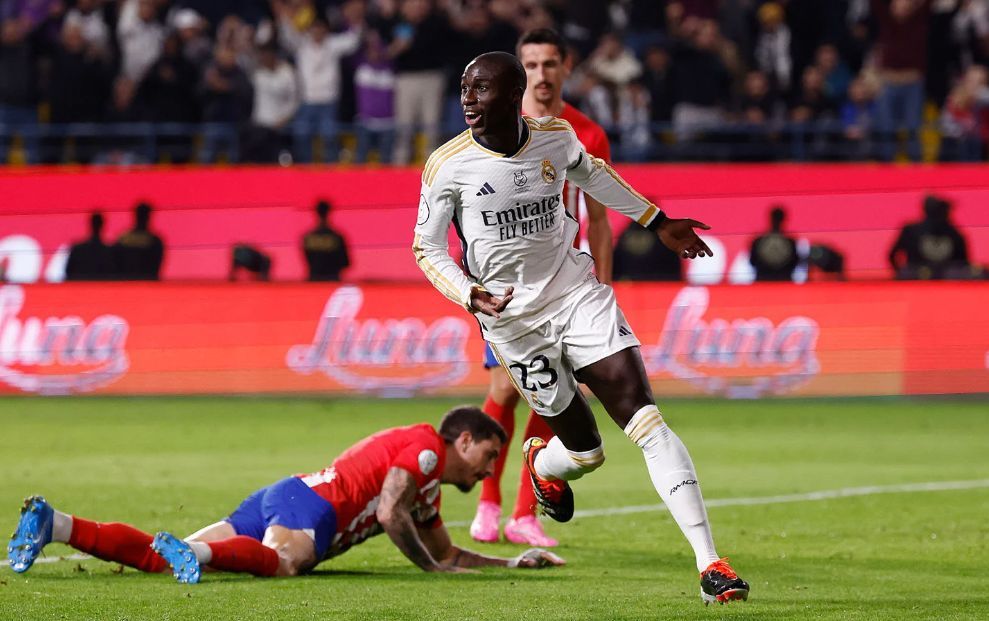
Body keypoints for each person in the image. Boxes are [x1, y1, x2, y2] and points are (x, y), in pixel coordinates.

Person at [412, 51, 749, 605]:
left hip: (576, 296)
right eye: (465, 89)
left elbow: (594, 175)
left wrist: (657, 221)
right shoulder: (448, 164)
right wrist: (468, 292)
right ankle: (543, 464)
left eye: (480, 89)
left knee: (646, 420)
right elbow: (426, 249)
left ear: (513, 94)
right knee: (587, 453)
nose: (468, 100)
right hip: (514, 325)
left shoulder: (555, 137)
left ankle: (710, 563)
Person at [8, 406, 563, 582]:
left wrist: (509, 563)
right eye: (489, 454)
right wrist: (434, 572)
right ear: (463, 440)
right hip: (312, 508)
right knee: (285, 563)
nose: (490, 469)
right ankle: (194, 552)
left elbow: (446, 553)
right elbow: (392, 514)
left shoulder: (429, 487)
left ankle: (57, 524)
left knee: (161, 558)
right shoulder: (424, 451)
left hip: (289, 494)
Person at [468, 28, 615, 550]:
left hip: (563, 287)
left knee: (553, 395)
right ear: (518, 71)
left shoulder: (587, 133)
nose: (541, 75)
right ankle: (487, 503)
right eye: (530, 65)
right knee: (505, 389)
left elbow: (600, 219)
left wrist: (602, 289)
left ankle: (523, 513)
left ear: (566, 67)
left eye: (550, 63)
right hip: (506, 285)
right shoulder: (495, 125)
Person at [889, 194, 971, 279]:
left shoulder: (910, 231)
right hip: (946, 281)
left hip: (916, 280)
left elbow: (892, 255)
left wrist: (902, 274)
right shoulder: (955, 234)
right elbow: (964, 265)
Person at [112, 202, 164, 280]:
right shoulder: (155, 241)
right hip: (146, 283)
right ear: (148, 216)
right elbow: (155, 269)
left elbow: (116, 264)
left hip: (126, 282)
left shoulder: (123, 239)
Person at [303, 199, 350, 281]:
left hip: (313, 281)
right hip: (332, 281)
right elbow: (346, 263)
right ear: (329, 212)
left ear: (317, 212)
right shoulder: (336, 237)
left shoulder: (307, 238)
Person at [749, 205, 799, 282]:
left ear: (771, 218)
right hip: (783, 283)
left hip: (763, 282)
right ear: (783, 219)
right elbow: (795, 263)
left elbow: (752, 262)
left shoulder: (758, 241)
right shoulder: (791, 242)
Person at [65, 212, 115, 281]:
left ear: (90, 224)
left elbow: (69, 273)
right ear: (102, 225)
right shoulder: (109, 252)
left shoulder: (78, 249)